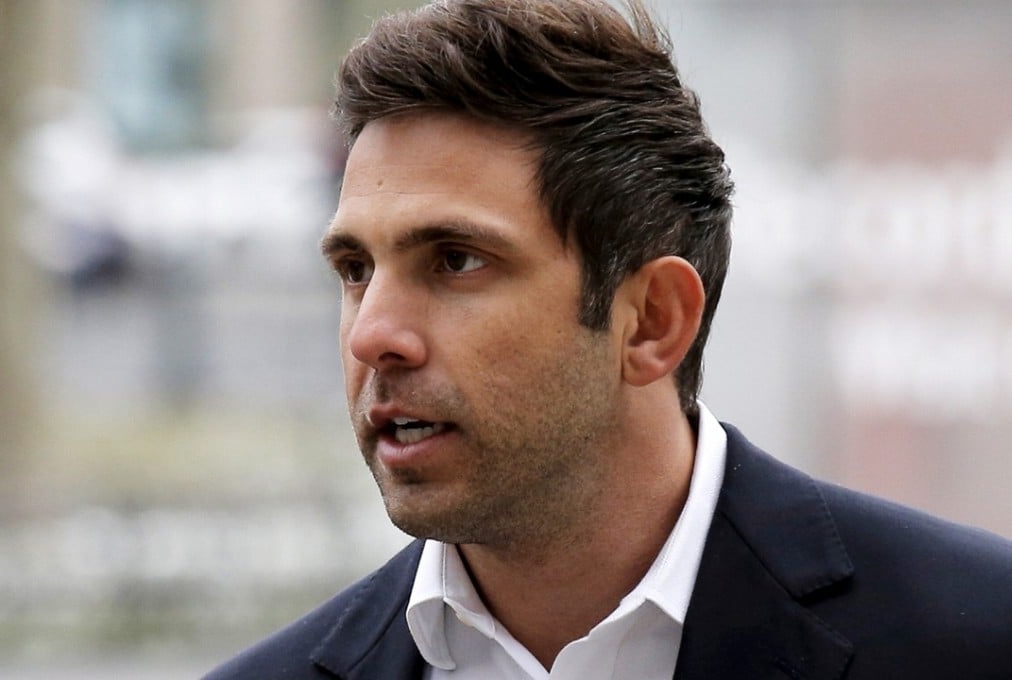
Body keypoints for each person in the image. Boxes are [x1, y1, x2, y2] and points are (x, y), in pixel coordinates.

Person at [204, 1, 1012, 678]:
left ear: (653, 319)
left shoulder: (973, 637)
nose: (374, 334)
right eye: (354, 268)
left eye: (455, 260)